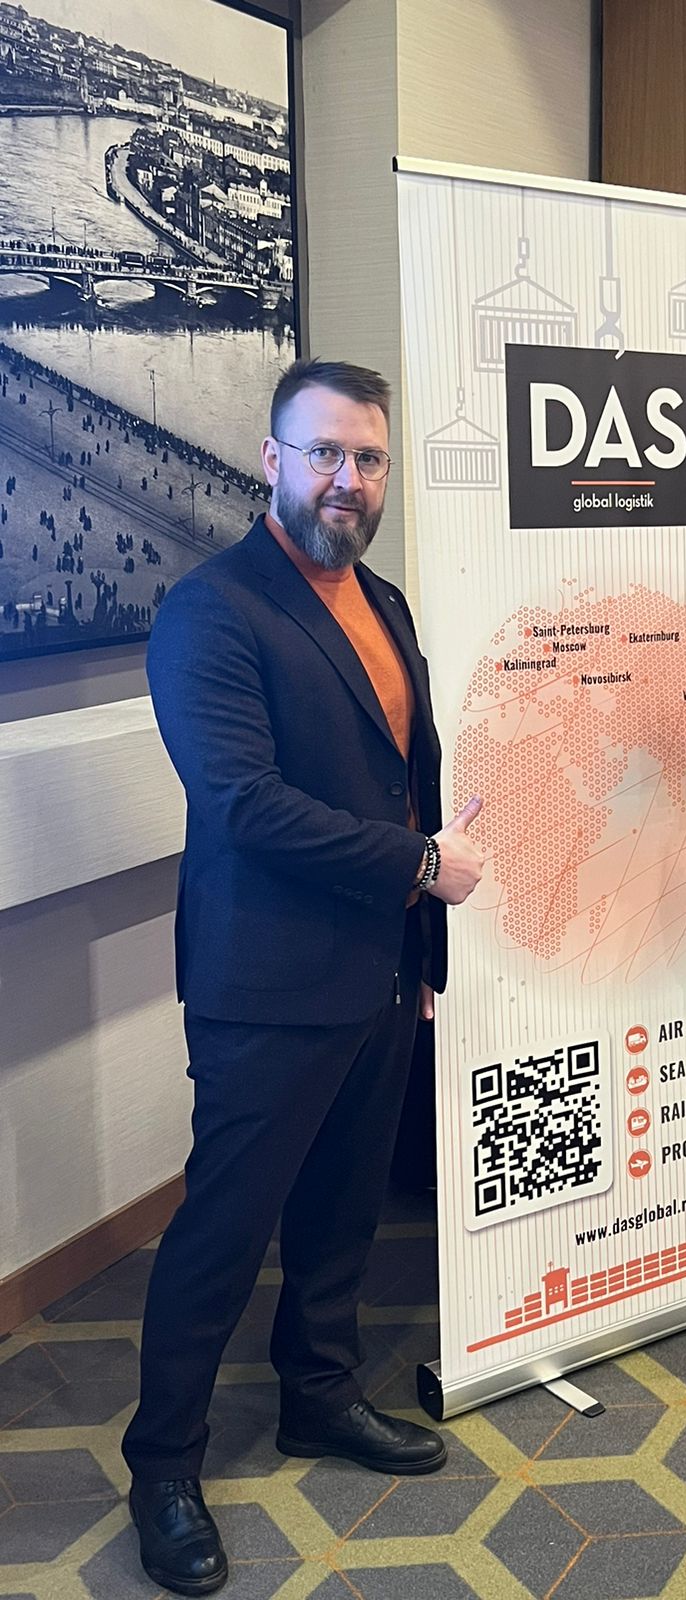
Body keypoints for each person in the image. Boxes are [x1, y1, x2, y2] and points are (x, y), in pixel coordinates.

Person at [123, 358, 485, 1596]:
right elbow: (244, 802)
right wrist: (422, 864)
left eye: (368, 458)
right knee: (223, 1231)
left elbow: (402, 772)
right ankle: (161, 1467)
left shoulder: (380, 599)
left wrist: (419, 943)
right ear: (273, 458)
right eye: (324, 452)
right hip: (267, 983)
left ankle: (318, 1394)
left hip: (379, 967)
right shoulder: (210, 610)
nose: (348, 478)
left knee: (343, 1208)